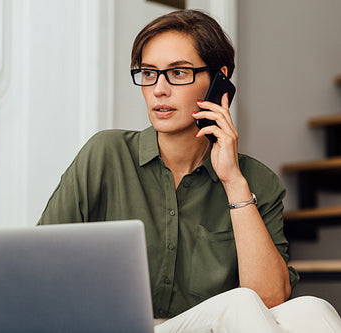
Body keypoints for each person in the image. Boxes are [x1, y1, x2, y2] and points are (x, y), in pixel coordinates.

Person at [38, 9, 341, 332]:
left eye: (178, 73)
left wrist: (233, 182)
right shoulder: (106, 154)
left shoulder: (257, 181)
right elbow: (37, 263)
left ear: (219, 80)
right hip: (115, 326)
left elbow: (270, 298)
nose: (159, 89)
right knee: (239, 302)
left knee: (312, 309)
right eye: (149, 73)